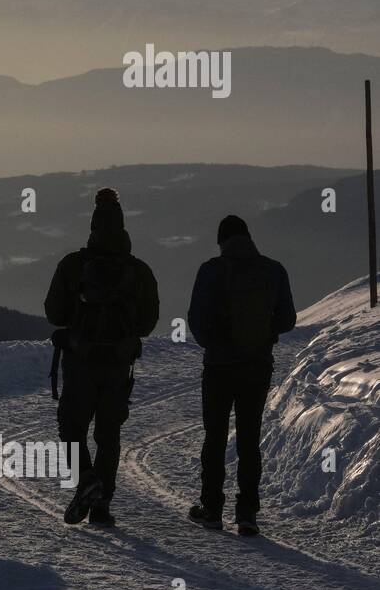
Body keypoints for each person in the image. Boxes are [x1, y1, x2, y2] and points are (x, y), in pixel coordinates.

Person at [45, 188, 159, 526]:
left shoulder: (73, 265)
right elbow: (148, 323)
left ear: (92, 226)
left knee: (71, 427)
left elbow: (54, 312)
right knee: (109, 436)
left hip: (81, 361)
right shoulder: (139, 271)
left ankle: (86, 479)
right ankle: (101, 507)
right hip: (118, 365)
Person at [186, 215, 295, 536]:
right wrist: (262, 334)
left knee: (215, 435)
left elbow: (195, 318)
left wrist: (215, 343)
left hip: (219, 367)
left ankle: (212, 509)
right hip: (256, 366)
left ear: (222, 242)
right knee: (249, 438)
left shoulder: (211, 270)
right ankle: (247, 513)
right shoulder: (273, 270)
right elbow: (287, 318)